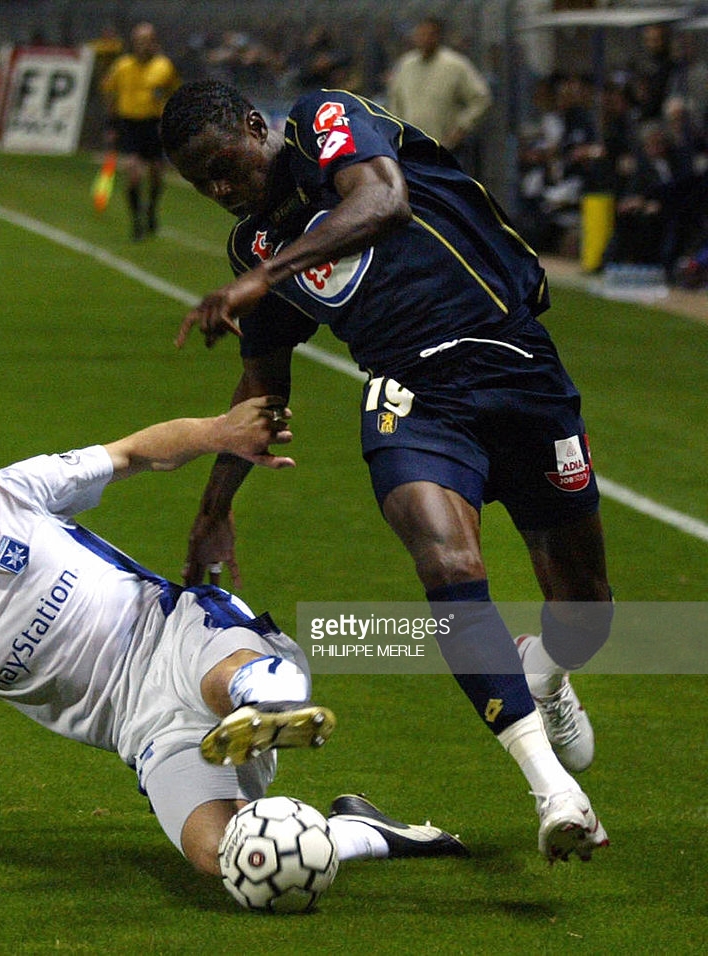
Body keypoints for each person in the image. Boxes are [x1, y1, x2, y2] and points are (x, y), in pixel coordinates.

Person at [0, 396, 466, 885]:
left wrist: (220, 434)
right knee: (239, 866)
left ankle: (261, 703)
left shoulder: (15, 492)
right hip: (145, 733)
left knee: (240, 681)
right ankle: (360, 831)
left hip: (177, 634)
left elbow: (132, 452)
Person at [160, 79, 613, 864]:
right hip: (412, 393)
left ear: (253, 126)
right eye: (203, 185)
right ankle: (553, 791)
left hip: (514, 363)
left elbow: (383, 201)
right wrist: (214, 506)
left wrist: (266, 279)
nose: (221, 191)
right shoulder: (256, 249)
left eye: (223, 167)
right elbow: (264, 385)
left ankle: (544, 672)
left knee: (587, 612)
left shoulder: (320, 122)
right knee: (448, 561)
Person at [100, 22, 182, 240]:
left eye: (147, 41)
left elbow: (175, 93)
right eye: (139, 41)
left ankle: (151, 210)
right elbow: (109, 92)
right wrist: (111, 124)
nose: (143, 45)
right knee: (133, 174)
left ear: (155, 42)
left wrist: (170, 120)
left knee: (156, 175)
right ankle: (136, 221)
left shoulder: (164, 66)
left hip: (154, 124)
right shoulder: (122, 66)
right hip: (130, 125)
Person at [386, 16, 491, 173]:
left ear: (439, 36)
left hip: (446, 149)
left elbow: (481, 98)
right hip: (410, 149)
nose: (425, 39)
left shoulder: (455, 65)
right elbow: (395, 101)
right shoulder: (406, 65)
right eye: (421, 34)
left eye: (430, 34)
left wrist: (461, 128)